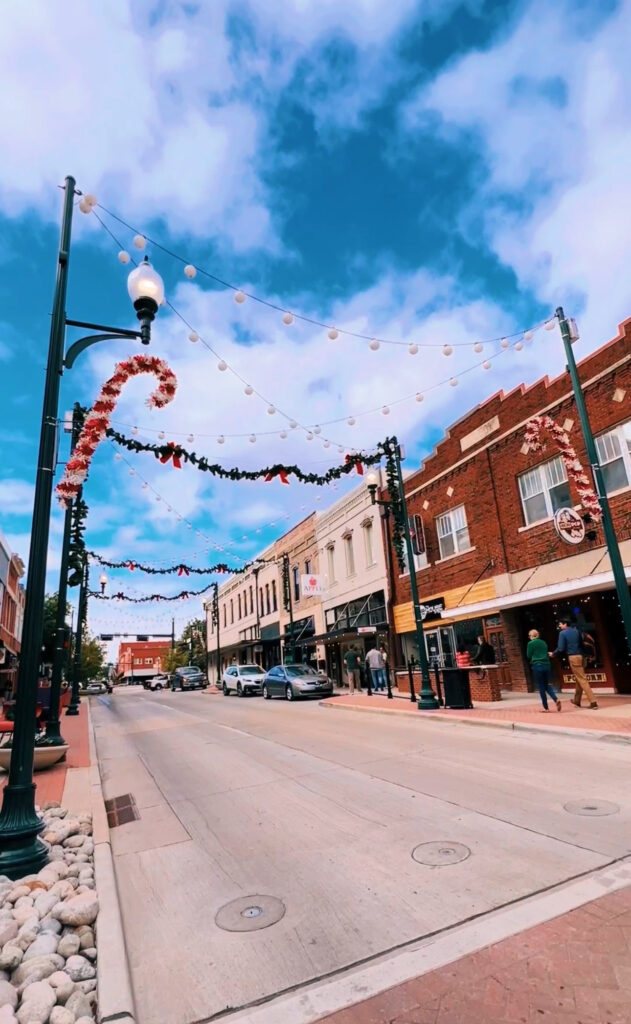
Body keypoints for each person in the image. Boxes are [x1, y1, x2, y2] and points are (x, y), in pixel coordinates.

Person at [553, 618, 598, 709]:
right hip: (582, 657)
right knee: (579, 679)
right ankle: (577, 701)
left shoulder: (562, 633)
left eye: (560, 624)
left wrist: (554, 654)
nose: (559, 626)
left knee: (582, 679)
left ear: (565, 624)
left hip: (573, 657)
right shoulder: (576, 631)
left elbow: (561, 648)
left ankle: (593, 702)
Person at [526, 629, 561, 712]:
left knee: (541, 687)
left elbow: (528, 655)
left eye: (529, 636)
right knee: (547, 685)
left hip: (537, 666)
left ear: (531, 636)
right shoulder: (543, 642)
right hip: (547, 665)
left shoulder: (530, 643)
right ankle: (556, 699)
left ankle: (546, 708)